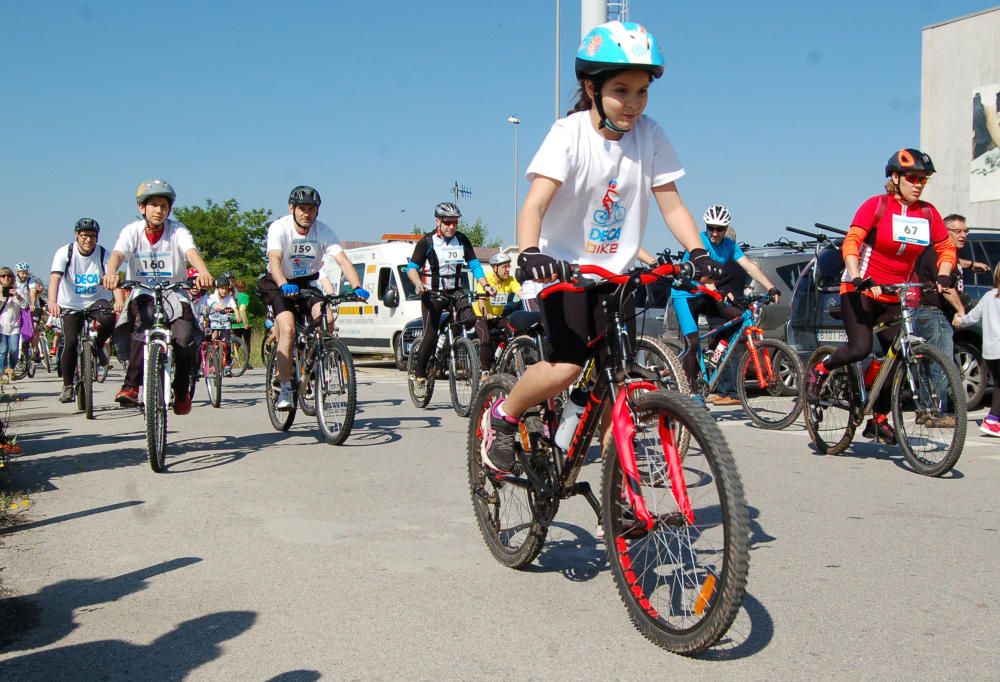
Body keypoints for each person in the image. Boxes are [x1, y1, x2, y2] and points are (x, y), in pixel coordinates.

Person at [479, 20, 723, 475]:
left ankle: (624, 501)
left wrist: (699, 253)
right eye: (621, 90)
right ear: (592, 88)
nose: (633, 104)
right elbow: (534, 204)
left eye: (642, 92)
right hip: (563, 272)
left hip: (617, 277)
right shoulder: (568, 133)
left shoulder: (650, 134)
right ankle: (504, 417)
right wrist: (531, 252)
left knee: (621, 385)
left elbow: (671, 205)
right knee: (566, 367)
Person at [805, 149, 957, 444]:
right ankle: (821, 370)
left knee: (900, 354)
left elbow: (946, 248)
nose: (918, 184)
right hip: (861, 287)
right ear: (895, 178)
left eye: (923, 180)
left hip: (895, 293)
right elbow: (852, 242)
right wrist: (859, 276)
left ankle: (879, 418)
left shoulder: (928, 213)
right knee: (860, 348)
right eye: (912, 178)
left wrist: (944, 274)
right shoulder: (876, 206)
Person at [103, 179, 214, 415]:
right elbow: (118, 254)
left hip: (174, 292)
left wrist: (203, 271)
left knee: (184, 338)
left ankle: (181, 389)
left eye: (164, 206)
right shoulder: (131, 231)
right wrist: (111, 272)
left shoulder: (177, 230)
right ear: (142, 208)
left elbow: (190, 251)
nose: (159, 210)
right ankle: (131, 385)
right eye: (153, 205)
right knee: (141, 327)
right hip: (143, 291)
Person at [258, 185, 369, 410]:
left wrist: (357, 286)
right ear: (292, 208)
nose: (306, 213)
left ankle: (312, 361)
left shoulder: (324, 232)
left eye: (311, 209)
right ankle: (286, 387)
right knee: (288, 330)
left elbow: (343, 261)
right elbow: (274, 260)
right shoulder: (280, 228)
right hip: (280, 283)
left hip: (308, 282)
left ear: (317, 211)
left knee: (326, 317)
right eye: (302, 208)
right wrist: (283, 284)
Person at [671, 205, 781, 404]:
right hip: (685, 294)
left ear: (726, 228)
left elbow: (748, 266)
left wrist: (771, 287)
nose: (714, 232)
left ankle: (713, 353)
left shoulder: (730, 246)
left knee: (738, 319)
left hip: (708, 293)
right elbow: (694, 272)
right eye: (711, 227)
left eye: (719, 229)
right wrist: (712, 286)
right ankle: (692, 391)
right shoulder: (699, 241)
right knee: (693, 342)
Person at [406, 202, 493, 398]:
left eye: (455, 222)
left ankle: (451, 344)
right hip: (432, 293)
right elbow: (411, 268)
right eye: (447, 223)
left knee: (469, 319)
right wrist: (418, 284)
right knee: (430, 334)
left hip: (455, 291)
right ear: (438, 221)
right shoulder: (426, 242)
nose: (452, 226)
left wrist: (486, 285)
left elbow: (475, 265)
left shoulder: (462, 240)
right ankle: (419, 375)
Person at [912, 214, 986, 427]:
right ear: (946, 233)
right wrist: (960, 310)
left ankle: (926, 411)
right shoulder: (940, 251)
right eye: (958, 231)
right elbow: (944, 288)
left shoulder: (946, 253)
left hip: (928, 313)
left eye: (965, 231)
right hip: (935, 314)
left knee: (928, 363)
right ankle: (937, 412)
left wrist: (971, 264)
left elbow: (955, 263)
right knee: (941, 363)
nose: (963, 235)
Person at [47, 218, 121, 403]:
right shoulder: (65, 252)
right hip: (70, 303)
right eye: (85, 236)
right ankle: (67, 386)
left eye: (93, 236)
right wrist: (52, 302)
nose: (89, 240)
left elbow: (114, 280)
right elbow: (55, 278)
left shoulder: (103, 253)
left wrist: (119, 301)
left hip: (96, 300)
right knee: (70, 342)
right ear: (77, 235)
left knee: (109, 318)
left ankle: (96, 346)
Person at [705, 225, 750, 406]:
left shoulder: (728, 262)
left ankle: (730, 391)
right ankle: (723, 388)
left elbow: (716, 282)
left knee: (726, 351)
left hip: (723, 309)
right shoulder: (738, 263)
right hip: (730, 307)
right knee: (720, 349)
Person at [954, 263, 1000, 436]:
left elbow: (973, 317)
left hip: (990, 352)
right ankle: (991, 420)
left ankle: (994, 420)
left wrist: (960, 320)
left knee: (998, 385)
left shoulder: (988, 296)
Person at [473, 252, 521, 378]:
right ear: (495, 268)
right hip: (481, 316)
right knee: (486, 339)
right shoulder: (486, 280)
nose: (508, 270)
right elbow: (481, 301)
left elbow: (521, 293)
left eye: (508, 266)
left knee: (513, 328)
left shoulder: (510, 280)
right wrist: (486, 314)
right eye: (504, 267)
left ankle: (503, 360)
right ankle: (484, 371)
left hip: (497, 316)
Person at [203, 275, 241, 376]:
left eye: (226, 288)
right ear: (217, 289)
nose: (224, 291)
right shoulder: (212, 297)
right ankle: (209, 360)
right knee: (210, 339)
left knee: (227, 344)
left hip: (225, 323)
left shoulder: (230, 298)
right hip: (213, 322)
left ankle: (227, 366)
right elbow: (216, 306)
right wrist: (221, 308)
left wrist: (238, 316)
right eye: (222, 288)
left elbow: (235, 308)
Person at [13, 263, 41, 363]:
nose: (25, 275)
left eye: (26, 273)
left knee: (34, 327)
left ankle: (35, 350)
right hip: (19, 307)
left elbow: (33, 292)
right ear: (17, 272)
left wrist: (32, 303)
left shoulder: (30, 280)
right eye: (22, 273)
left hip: (33, 307)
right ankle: (21, 347)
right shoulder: (13, 282)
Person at [0, 267, 26, 376]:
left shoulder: (18, 290)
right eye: (3, 276)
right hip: (1, 326)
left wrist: (16, 296)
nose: (6, 278)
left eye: (9, 276)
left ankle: (11, 368)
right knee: (3, 351)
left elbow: (25, 305)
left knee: (14, 350)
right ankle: (2, 373)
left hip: (14, 326)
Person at [231, 279, 252, 369]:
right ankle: (246, 362)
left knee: (236, 342)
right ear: (244, 287)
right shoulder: (245, 296)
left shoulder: (232, 296)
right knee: (246, 342)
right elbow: (242, 309)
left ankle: (230, 359)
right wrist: (245, 322)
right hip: (243, 322)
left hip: (234, 322)